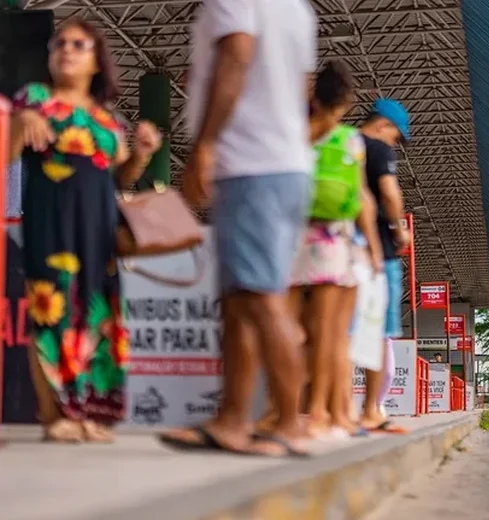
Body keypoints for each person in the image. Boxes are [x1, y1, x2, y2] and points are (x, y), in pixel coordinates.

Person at [160, 0, 317, 457]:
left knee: (261, 297)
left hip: (252, 166)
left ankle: (290, 422)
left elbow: (237, 54)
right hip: (283, 165)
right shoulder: (297, 9)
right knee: (238, 301)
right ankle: (232, 420)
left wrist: (205, 144)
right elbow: (300, 87)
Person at [9, 19, 161, 443]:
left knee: (98, 317)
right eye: (60, 43)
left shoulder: (107, 121)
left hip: (99, 232)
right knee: (51, 312)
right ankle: (53, 412)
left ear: (96, 61)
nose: (67, 50)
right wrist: (18, 125)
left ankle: (88, 412)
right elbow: (7, 154)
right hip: (51, 223)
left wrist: (143, 154)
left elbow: (119, 179)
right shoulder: (34, 101)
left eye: (79, 44)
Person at [256, 60, 383, 439]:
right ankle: (318, 414)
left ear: (312, 97)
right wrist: (373, 247)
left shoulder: (293, 137)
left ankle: (278, 411)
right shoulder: (350, 141)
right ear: (345, 102)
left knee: (286, 327)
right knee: (328, 333)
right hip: (332, 241)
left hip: (292, 239)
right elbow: (362, 197)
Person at [358, 99, 412, 434]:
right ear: (382, 125)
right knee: (379, 332)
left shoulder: (341, 144)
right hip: (378, 254)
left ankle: (330, 411)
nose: (395, 144)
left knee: (338, 332)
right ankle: (371, 411)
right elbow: (389, 196)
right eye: (396, 136)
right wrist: (398, 228)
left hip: (341, 250)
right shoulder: (377, 148)